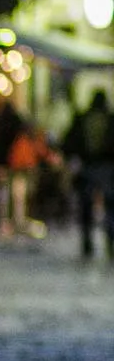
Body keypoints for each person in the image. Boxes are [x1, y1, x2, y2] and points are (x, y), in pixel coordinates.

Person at [63, 91, 114, 259]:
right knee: (109, 206)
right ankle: (109, 242)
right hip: (105, 167)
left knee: (87, 206)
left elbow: (68, 142)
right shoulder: (110, 119)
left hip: (89, 167)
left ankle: (88, 242)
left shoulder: (83, 119)